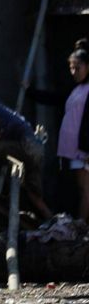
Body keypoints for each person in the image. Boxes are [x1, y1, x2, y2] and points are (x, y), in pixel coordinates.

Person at [32, 45, 89, 220]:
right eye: (71, 67)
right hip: (75, 150)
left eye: (77, 67)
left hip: (84, 149)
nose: (73, 72)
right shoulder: (77, 90)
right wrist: (29, 91)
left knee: (85, 189)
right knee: (80, 188)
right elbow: (55, 99)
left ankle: (81, 226)